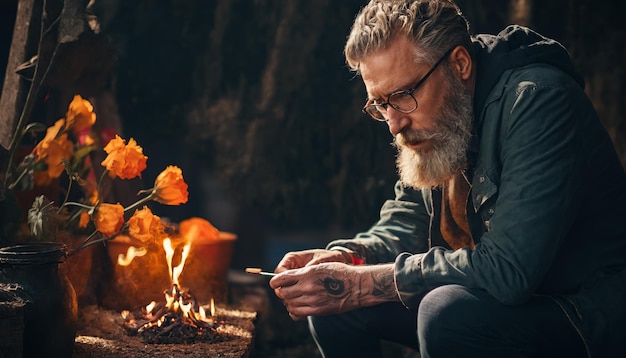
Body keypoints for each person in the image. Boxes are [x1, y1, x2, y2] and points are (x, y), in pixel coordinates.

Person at [268, 0, 626, 357]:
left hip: (581, 315)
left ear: (459, 64)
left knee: (446, 312)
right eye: (379, 104)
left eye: (403, 95)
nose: (394, 123)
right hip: (496, 302)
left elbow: (509, 271)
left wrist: (364, 284)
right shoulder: (441, 121)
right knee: (333, 302)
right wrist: (347, 259)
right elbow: (405, 221)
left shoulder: (538, 102)